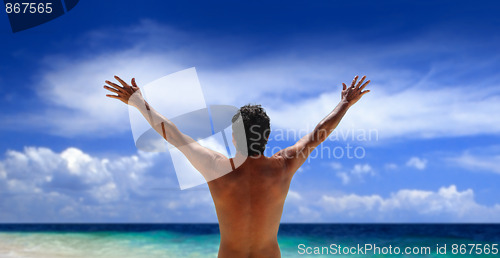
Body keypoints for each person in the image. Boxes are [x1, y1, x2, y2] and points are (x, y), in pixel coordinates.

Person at [104, 75, 370, 258]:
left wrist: (138, 101)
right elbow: (319, 133)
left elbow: (172, 133)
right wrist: (345, 102)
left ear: (233, 137)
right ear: (267, 137)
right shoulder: (284, 166)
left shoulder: (215, 167)